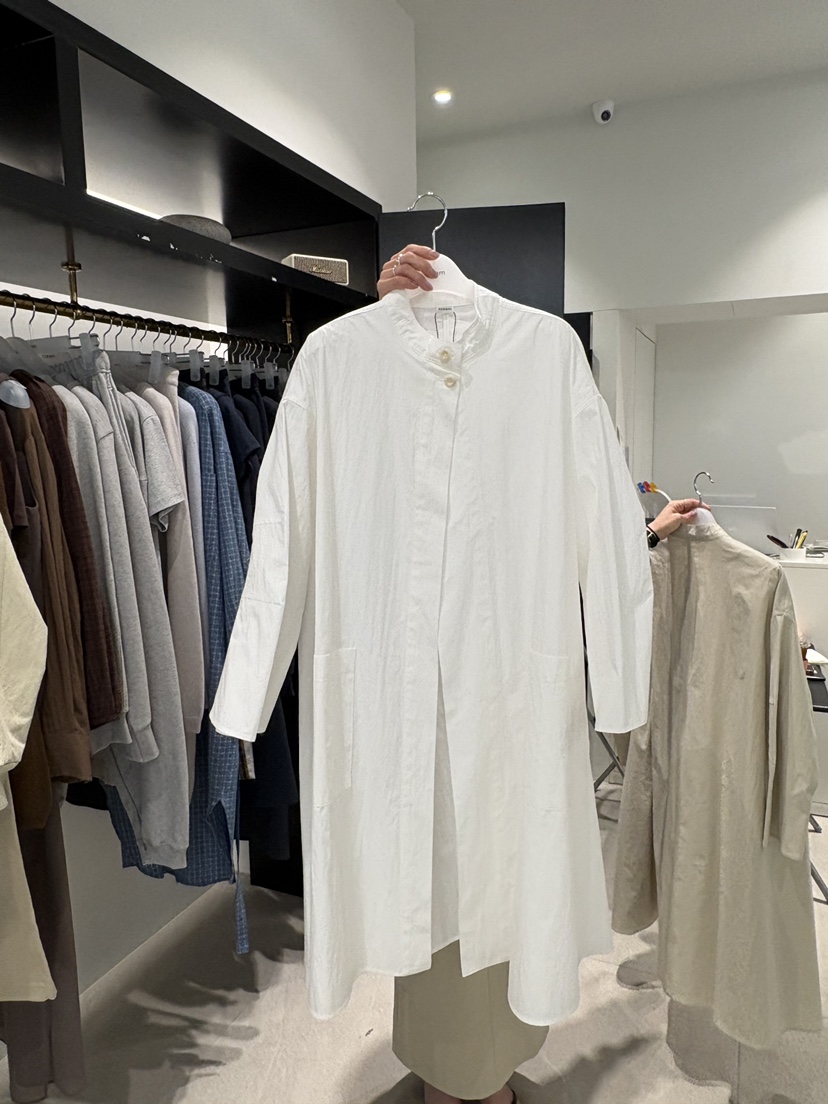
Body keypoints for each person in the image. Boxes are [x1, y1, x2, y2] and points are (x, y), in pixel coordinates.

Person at [375, 246, 707, 1104]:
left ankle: (474, 1064)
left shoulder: (544, 356)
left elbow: (581, 517)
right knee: (451, 898)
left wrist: (647, 538)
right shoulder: (370, 367)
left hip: (510, 696)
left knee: (503, 890)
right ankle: (463, 1079)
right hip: (429, 698)